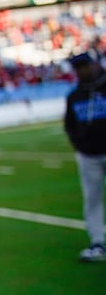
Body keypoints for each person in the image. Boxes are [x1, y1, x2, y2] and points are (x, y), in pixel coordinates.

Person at [63, 51, 106, 262]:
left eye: (84, 67)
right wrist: (79, 145)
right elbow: (69, 125)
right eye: (77, 68)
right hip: (88, 155)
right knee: (92, 199)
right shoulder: (74, 96)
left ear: (93, 65)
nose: (81, 71)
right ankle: (97, 242)